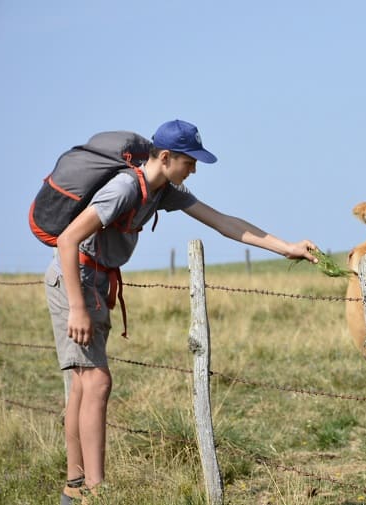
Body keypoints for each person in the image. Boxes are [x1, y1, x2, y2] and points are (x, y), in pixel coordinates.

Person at [47, 119, 318, 503]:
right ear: (165, 156)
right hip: (76, 280)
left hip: (97, 281)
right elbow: (68, 239)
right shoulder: (125, 188)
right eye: (189, 162)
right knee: (97, 383)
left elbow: (224, 223)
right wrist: (76, 306)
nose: (193, 169)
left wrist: (285, 246)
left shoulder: (162, 192)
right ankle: (95, 490)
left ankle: (75, 489)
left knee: (84, 384)